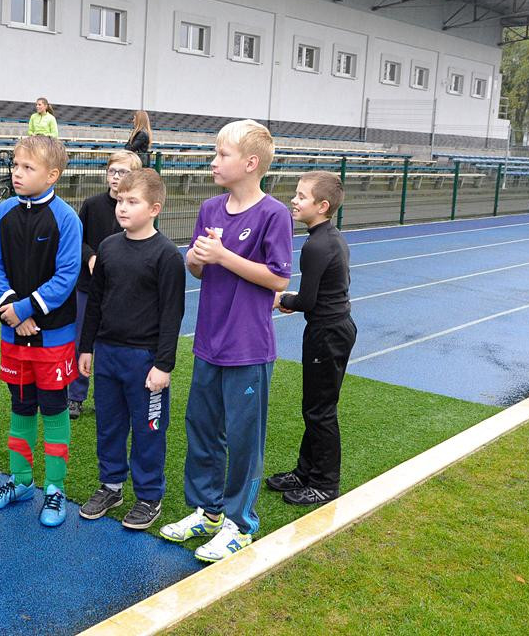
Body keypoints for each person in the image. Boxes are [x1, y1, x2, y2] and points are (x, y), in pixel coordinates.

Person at [159, 119, 292, 563]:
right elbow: (200, 269)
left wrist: (224, 256)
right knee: (202, 429)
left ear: (251, 163)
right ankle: (208, 511)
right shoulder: (210, 208)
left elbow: (277, 277)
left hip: (248, 346)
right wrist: (198, 260)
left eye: (222, 155)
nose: (214, 162)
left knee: (243, 438)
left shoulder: (273, 214)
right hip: (209, 341)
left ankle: (240, 523)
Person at [0, 135, 81, 528]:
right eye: (15, 165)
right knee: (20, 407)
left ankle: (55, 490)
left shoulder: (67, 219)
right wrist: (12, 312)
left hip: (53, 336)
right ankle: (21, 481)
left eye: (27, 168)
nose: (16, 173)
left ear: (52, 175)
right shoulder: (3, 212)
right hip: (13, 334)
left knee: (53, 410)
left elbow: (67, 275)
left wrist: (23, 309)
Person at [77, 169, 185, 529]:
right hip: (108, 353)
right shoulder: (107, 247)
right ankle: (111, 485)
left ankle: (149, 495)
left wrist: (163, 365)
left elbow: (172, 315)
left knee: (148, 429)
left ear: (154, 208)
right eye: (120, 200)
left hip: (144, 360)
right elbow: (95, 302)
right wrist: (87, 347)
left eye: (132, 201)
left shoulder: (167, 256)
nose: (122, 207)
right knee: (109, 425)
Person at [267, 171, 356, 506]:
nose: (294, 199)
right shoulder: (330, 237)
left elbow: (306, 301)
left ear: (322, 206)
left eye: (302, 196)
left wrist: (281, 300)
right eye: (296, 193)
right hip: (331, 328)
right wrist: (295, 300)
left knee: (320, 411)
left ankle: (325, 484)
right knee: (314, 407)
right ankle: (306, 472)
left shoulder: (317, 245)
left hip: (328, 333)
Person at [68, 150, 142, 419]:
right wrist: (90, 257)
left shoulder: (137, 209)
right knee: (81, 342)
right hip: (88, 288)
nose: (116, 177)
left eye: (123, 172)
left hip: (121, 292)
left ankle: (109, 398)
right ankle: (75, 396)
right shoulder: (91, 204)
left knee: (114, 345)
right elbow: (78, 238)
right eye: (112, 171)